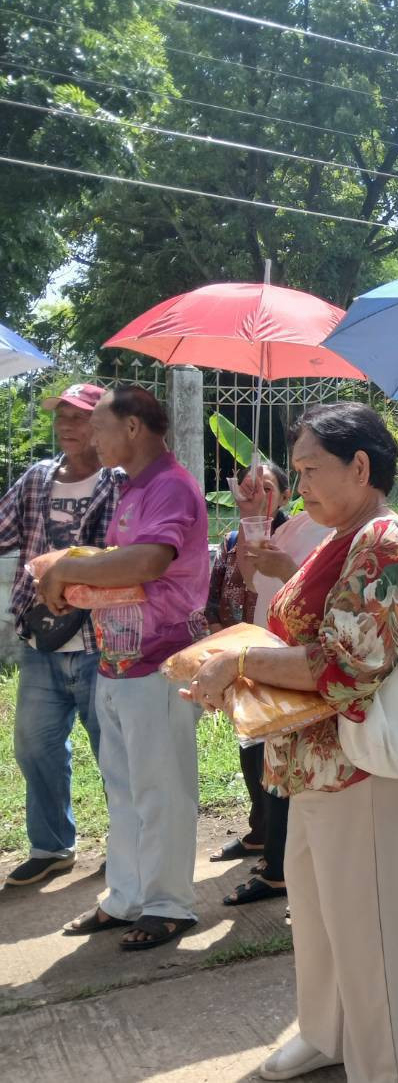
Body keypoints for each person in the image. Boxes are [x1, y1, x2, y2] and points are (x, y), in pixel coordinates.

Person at [182, 403, 398, 1082]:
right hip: (313, 761)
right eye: (299, 471)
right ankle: (325, 1034)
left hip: (362, 765)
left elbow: (348, 667)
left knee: (366, 935)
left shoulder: (383, 543)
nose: (303, 484)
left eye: (312, 470)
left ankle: (387, 1068)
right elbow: (301, 641)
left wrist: (239, 665)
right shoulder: (334, 537)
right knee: (319, 922)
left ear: (360, 467)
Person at [40, 386, 210, 949]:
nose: (91, 437)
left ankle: (168, 905)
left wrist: (66, 569)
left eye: (101, 426)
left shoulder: (170, 487)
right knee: (124, 790)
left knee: (162, 791)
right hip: (118, 662)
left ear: (133, 427)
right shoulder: (134, 487)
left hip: (159, 664)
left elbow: (148, 559)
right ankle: (127, 897)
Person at [0, 383, 118, 887]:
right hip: (42, 642)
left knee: (113, 749)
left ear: (104, 426)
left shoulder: (120, 484)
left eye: (80, 418)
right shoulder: (37, 479)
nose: (67, 426)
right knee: (33, 744)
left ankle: (128, 845)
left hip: (101, 641)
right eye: (61, 417)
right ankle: (52, 846)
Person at [204, 463, 289, 885]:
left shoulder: (294, 537)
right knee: (248, 747)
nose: (260, 496)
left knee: (273, 753)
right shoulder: (234, 539)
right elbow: (217, 593)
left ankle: (277, 850)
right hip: (237, 657)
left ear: (286, 497)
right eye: (253, 488)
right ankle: (259, 833)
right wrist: (222, 645)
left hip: (276, 658)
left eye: (269, 489)